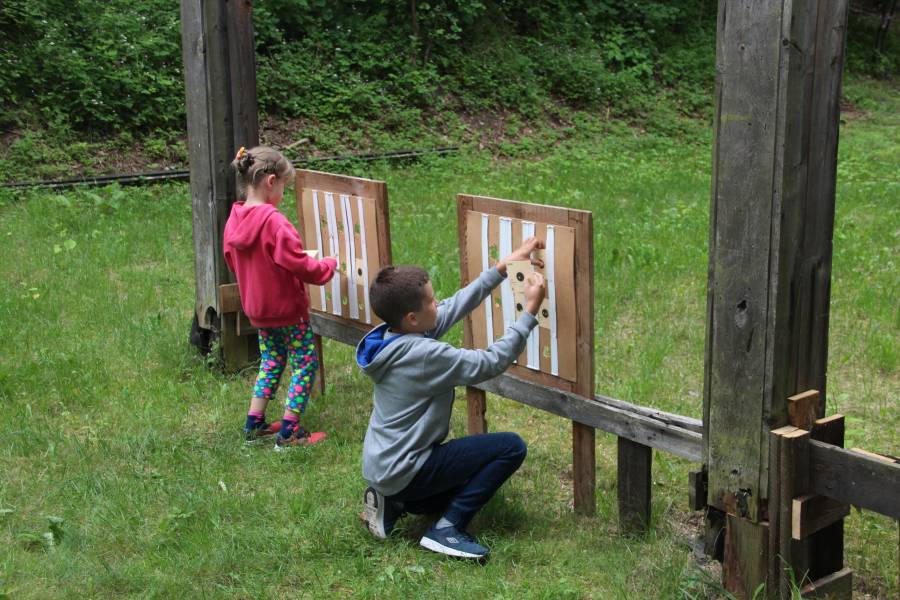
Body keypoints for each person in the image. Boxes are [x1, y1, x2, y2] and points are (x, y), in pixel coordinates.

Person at [357, 238, 546, 560]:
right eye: (431, 301)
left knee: (456, 475)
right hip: (406, 468)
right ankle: (447, 528)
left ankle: (396, 501)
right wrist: (529, 312)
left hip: (384, 465)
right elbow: (490, 363)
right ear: (412, 318)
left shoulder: (393, 337)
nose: (438, 304)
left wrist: (503, 268)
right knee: (510, 447)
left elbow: (456, 304)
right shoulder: (425, 355)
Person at [223, 146, 337, 448]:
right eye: (284, 186)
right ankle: (288, 433)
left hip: (257, 310)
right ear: (271, 181)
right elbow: (299, 264)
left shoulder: (234, 218)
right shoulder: (274, 222)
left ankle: (254, 424)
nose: (283, 193)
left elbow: (231, 260)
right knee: (305, 362)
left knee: (272, 359)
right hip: (287, 309)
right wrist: (327, 266)